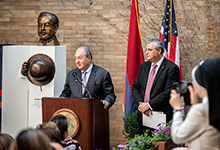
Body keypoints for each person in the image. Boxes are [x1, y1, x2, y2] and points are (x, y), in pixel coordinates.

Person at [169, 57, 220, 149]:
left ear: (203, 83)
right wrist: (195, 105)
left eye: (195, 80)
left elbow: (177, 137)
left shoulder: (201, 110)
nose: (192, 84)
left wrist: (177, 109)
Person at [132, 38, 180, 134]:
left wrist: (149, 105)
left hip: (160, 116)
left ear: (159, 51)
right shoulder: (143, 66)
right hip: (143, 115)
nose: (146, 52)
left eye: (150, 50)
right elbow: (135, 87)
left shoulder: (171, 68)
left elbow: (168, 92)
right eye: (146, 49)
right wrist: (142, 106)